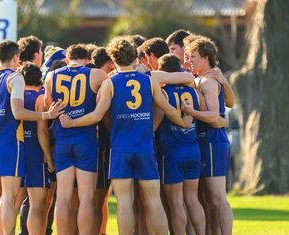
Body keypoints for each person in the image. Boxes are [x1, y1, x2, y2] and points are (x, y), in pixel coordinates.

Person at [59, 36, 193, 235]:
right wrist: (184, 122)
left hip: (121, 149)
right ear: (135, 57)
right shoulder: (149, 81)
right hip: (145, 148)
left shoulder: (110, 83)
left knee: (124, 203)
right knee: (154, 201)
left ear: (113, 60)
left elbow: (96, 116)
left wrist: (71, 122)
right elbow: (168, 109)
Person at [0, 39, 64, 235]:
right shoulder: (15, 77)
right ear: (15, 57)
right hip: (10, 142)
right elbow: (18, 112)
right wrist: (47, 115)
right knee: (10, 197)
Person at [44, 43, 108, 235]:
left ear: (66, 59)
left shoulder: (51, 76)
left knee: (62, 197)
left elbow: (49, 108)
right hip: (85, 140)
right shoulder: (95, 74)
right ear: (87, 59)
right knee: (86, 197)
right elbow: (109, 95)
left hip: (62, 140)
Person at [182, 37, 233, 235]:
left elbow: (214, 116)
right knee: (207, 198)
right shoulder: (199, 79)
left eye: (193, 57)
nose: (189, 61)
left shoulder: (208, 82)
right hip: (204, 140)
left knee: (217, 197)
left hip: (213, 141)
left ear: (206, 57)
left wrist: (190, 111)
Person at [156, 54, 206, 235]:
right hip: (192, 148)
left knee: (176, 202)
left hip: (171, 151)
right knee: (192, 199)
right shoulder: (193, 91)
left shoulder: (162, 93)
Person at [18, 62, 53, 235]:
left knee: (11, 201)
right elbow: (42, 132)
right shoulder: (40, 96)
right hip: (34, 153)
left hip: (16, 150)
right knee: (36, 204)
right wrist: (48, 157)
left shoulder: (15, 96)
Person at [91, 47, 115, 235]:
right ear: (108, 63)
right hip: (100, 147)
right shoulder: (104, 82)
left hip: (85, 146)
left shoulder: (87, 79)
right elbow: (102, 116)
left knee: (97, 199)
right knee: (98, 199)